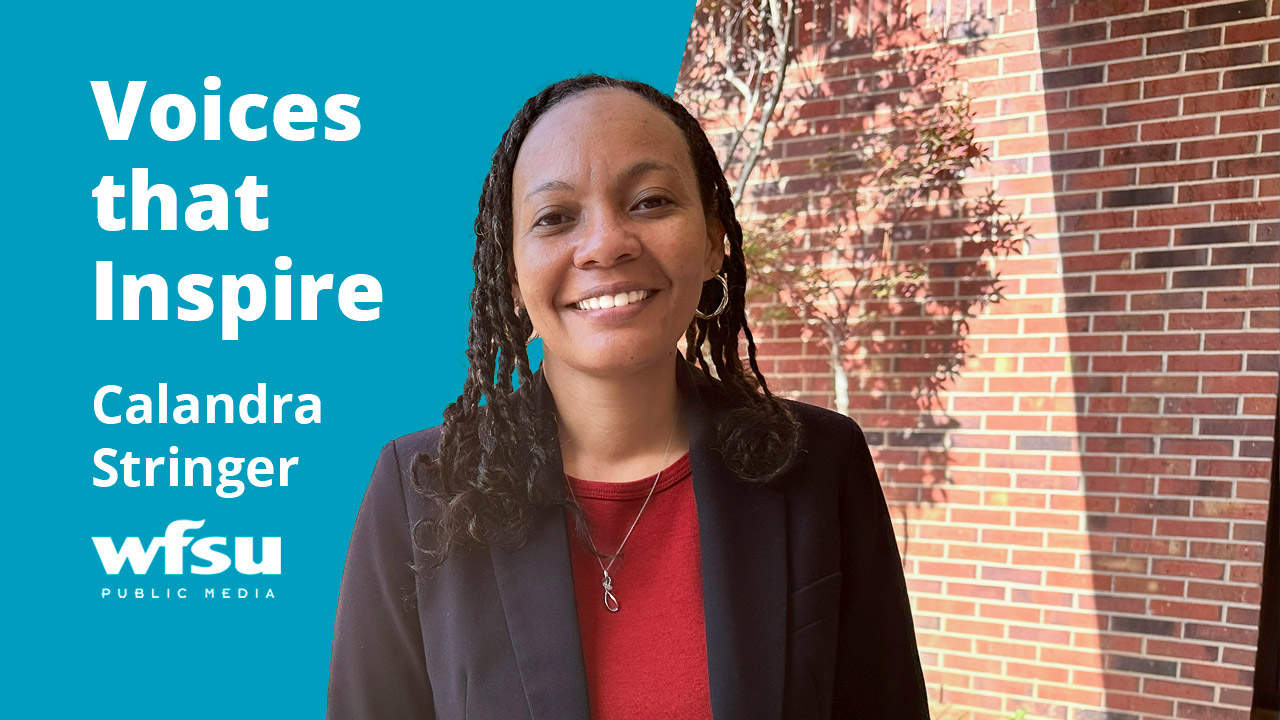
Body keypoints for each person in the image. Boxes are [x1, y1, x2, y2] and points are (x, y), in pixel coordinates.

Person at [327, 74, 929, 720]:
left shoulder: (820, 468)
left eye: (650, 201)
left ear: (714, 242)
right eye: (556, 217)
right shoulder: (419, 493)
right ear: (511, 269)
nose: (606, 243)